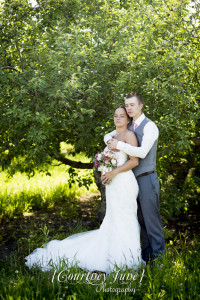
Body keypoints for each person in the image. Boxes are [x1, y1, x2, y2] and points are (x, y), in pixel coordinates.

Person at [25, 106, 144, 273]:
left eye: (122, 116)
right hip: (112, 185)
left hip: (124, 183)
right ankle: (112, 254)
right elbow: (107, 160)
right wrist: (104, 173)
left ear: (128, 119)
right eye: (116, 115)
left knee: (126, 219)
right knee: (113, 219)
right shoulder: (112, 137)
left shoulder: (129, 135)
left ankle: (127, 258)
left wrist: (113, 172)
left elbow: (134, 161)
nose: (118, 119)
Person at [103, 93, 165, 263]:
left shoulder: (149, 126)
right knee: (139, 221)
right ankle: (146, 258)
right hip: (130, 182)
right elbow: (108, 136)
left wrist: (119, 145)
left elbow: (142, 152)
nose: (129, 108)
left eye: (132, 105)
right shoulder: (130, 127)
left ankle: (159, 260)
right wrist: (110, 140)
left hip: (146, 177)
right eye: (127, 105)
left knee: (151, 220)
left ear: (140, 106)